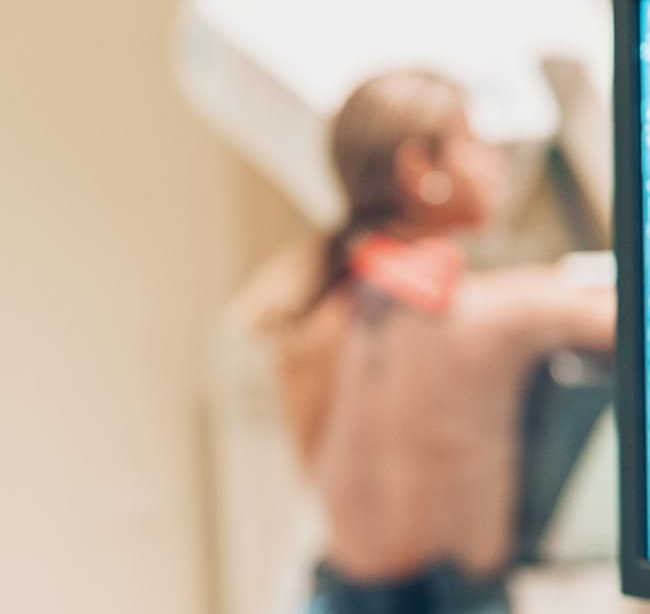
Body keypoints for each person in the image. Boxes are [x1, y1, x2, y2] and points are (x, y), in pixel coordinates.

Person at [260, 70, 617, 614]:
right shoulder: (487, 313)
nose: (498, 160)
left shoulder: (309, 307)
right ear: (419, 168)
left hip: (336, 594)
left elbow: (314, 465)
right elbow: (649, 325)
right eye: (474, 141)